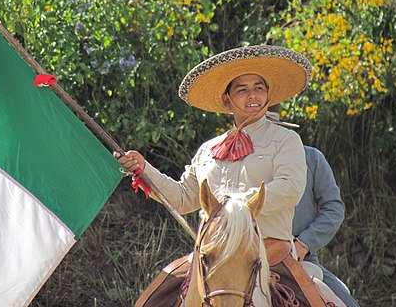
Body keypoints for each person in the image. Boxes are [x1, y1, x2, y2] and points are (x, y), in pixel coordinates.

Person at [116, 45, 335, 306]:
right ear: (226, 99)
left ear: (268, 95)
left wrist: (237, 206)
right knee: (147, 301)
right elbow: (184, 198)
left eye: (259, 88)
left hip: (269, 254)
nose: (252, 95)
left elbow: (290, 187)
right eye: (242, 89)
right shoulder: (208, 149)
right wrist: (144, 169)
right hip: (211, 255)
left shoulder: (286, 140)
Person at [267, 106, 360, 307]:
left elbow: (333, 209)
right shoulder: (233, 162)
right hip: (246, 260)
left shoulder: (311, 158)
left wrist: (304, 243)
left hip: (301, 260)